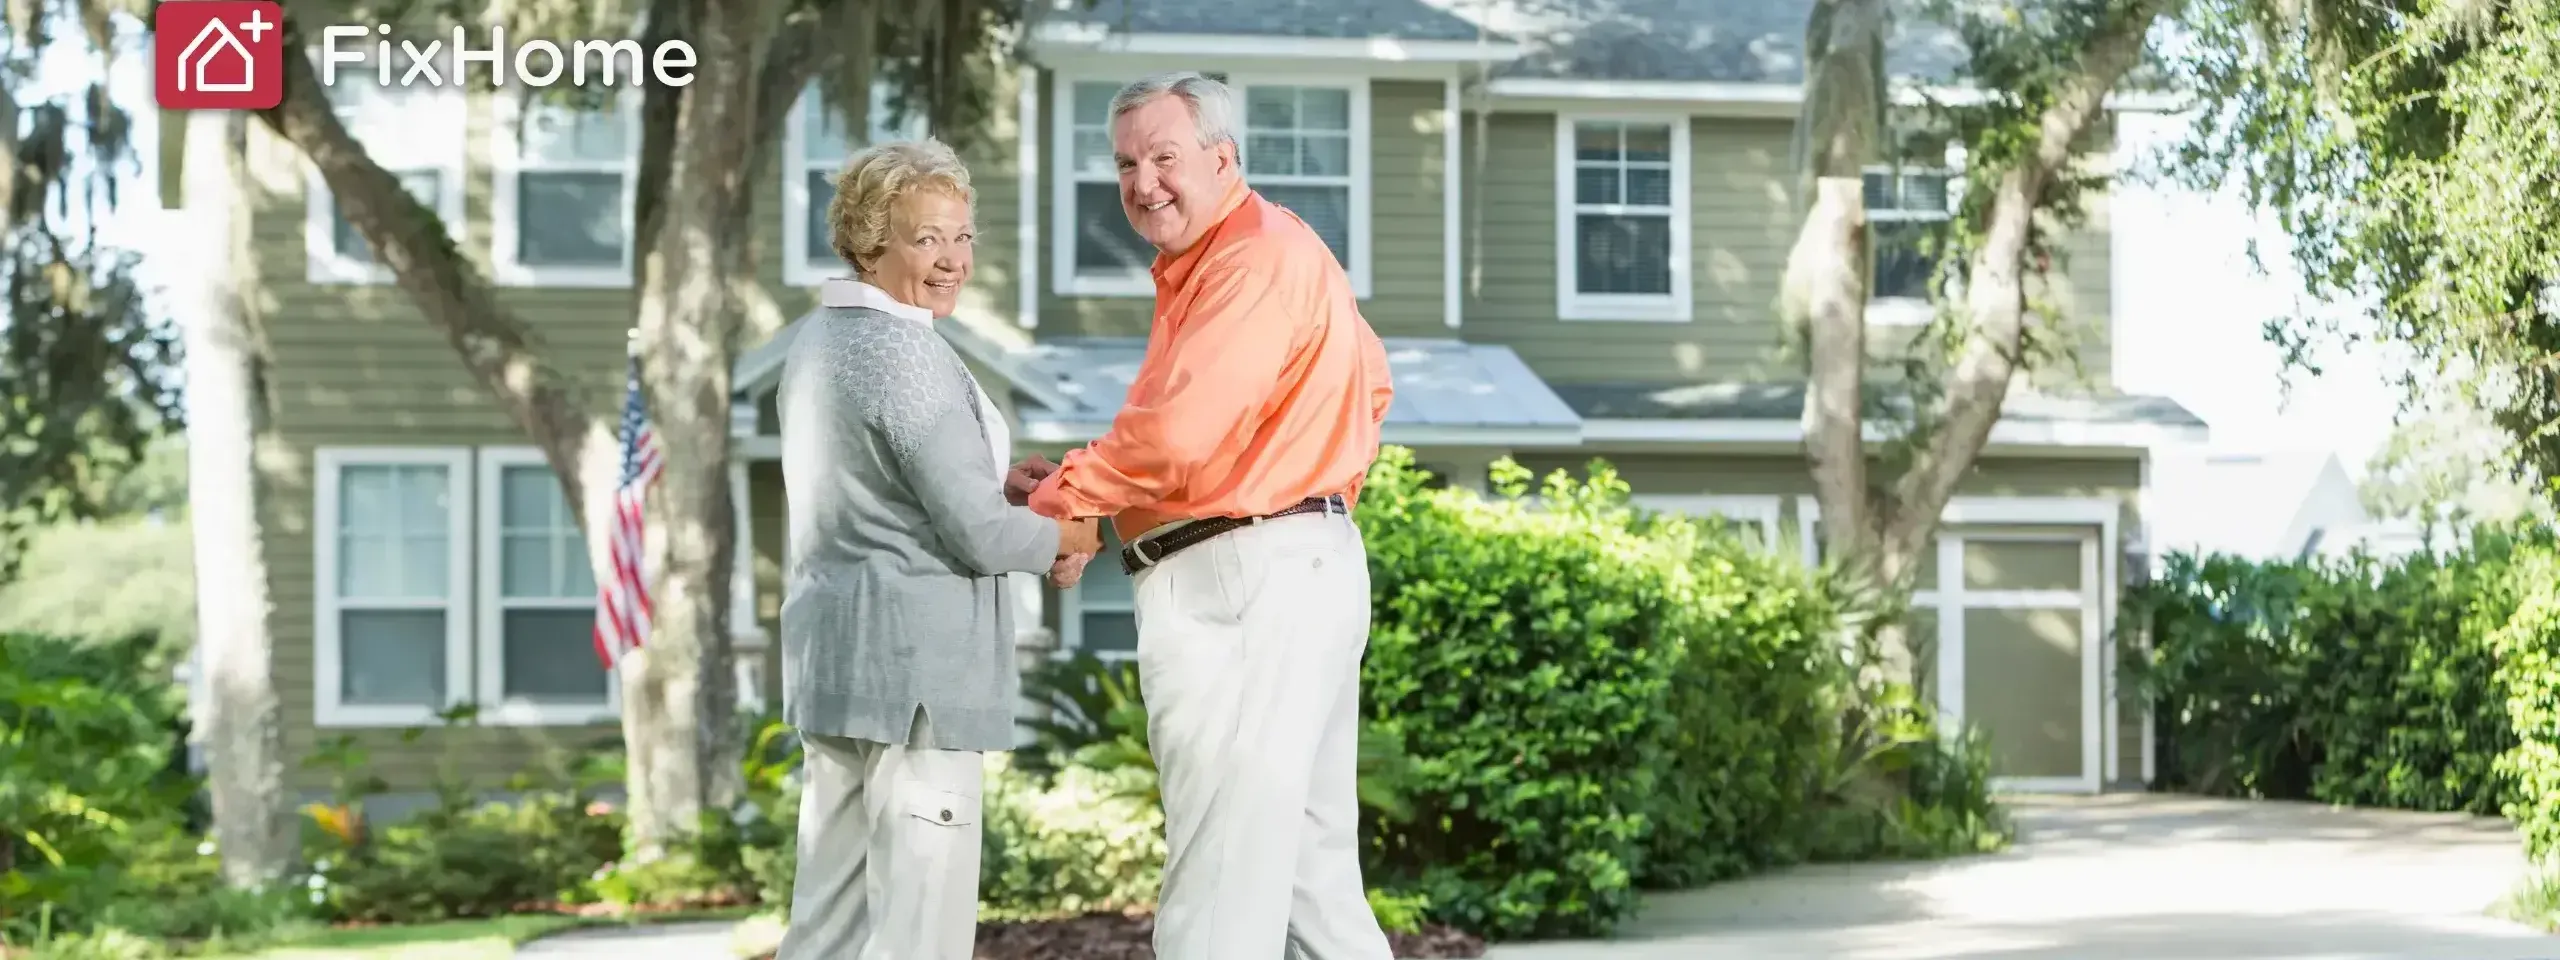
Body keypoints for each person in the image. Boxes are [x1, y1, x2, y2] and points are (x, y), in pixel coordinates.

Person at [1006, 72, 1397, 959]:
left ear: (1223, 159)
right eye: (1127, 164)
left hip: (1241, 581)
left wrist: (1066, 498)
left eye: (1166, 158)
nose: (1144, 183)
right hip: (1291, 563)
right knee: (1304, 870)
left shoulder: (1247, 259)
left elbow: (1179, 436)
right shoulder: (1267, 254)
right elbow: (1369, 381)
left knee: (1221, 868)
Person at [773, 137, 1100, 960]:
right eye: (927, 239)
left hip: (840, 672)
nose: (953, 260)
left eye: (961, 237)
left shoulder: (818, 341)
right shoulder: (905, 352)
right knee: (924, 935)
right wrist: (1069, 534)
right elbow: (981, 536)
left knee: (828, 930)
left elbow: (886, 492)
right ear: (869, 240)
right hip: (917, 685)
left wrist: (999, 484)